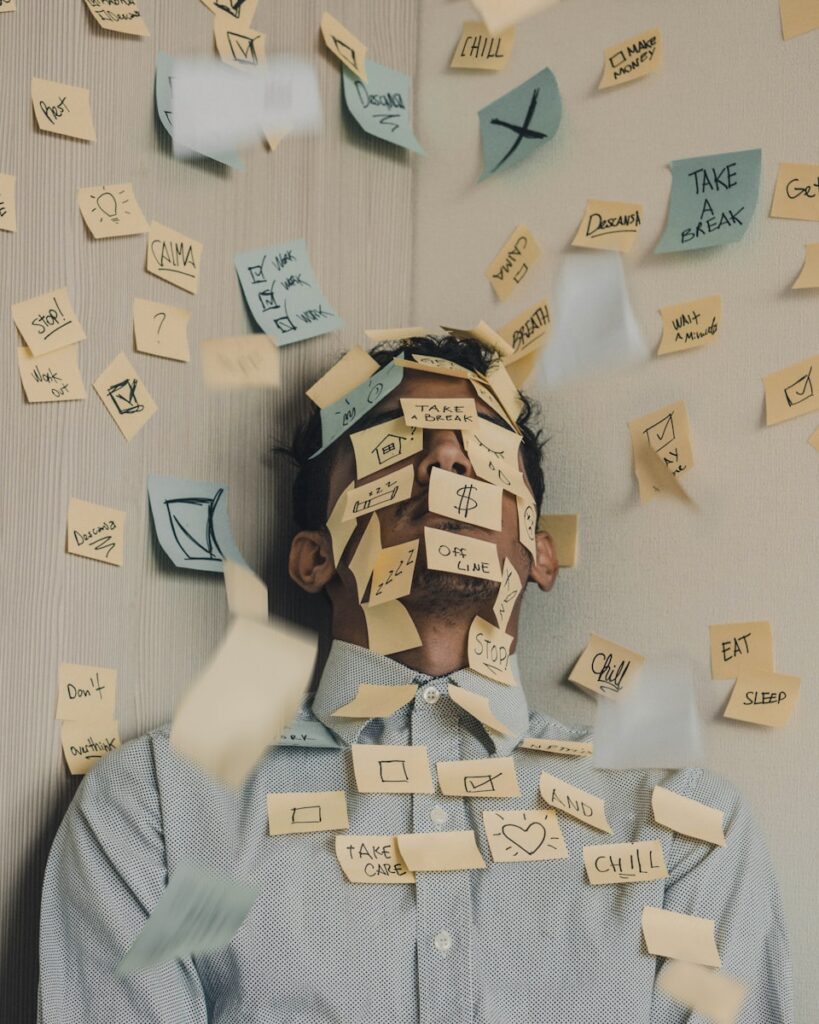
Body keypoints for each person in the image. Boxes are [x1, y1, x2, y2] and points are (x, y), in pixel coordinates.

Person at [38, 335, 793, 1023]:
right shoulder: (159, 808)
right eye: (393, 442)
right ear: (313, 557)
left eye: (482, 449)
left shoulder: (686, 831)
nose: (444, 461)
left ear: (537, 553)